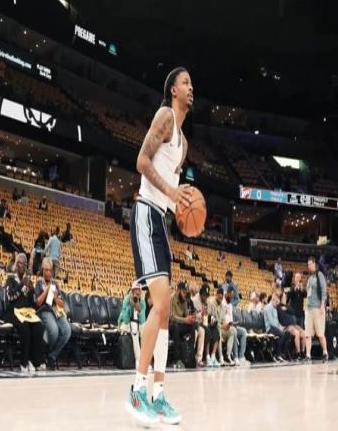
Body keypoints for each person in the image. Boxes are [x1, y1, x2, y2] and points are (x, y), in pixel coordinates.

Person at [126, 67, 194, 425]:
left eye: (191, 83)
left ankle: (158, 393)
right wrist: (171, 192)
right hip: (145, 212)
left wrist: (184, 209)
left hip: (162, 221)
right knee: (162, 304)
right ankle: (137, 390)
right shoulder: (165, 116)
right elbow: (141, 162)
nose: (191, 88)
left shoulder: (184, 144)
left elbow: (174, 191)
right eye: (185, 82)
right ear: (172, 90)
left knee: (165, 312)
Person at [5, 253, 45, 373]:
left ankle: (36, 360)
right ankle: (24, 361)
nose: (23, 266)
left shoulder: (29, 282)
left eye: (25, 264)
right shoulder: (10, 279)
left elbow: (32, 304)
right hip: (13, 312)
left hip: (26, 313)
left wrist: (31, 291)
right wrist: (21, 283)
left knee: (39, 326)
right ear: (17, 265)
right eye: (21, 263)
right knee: (25, 327)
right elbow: (10, 297)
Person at [35, 257, 71, 369]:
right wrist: (46, 291)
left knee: (67, 330)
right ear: (42, 270)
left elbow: (62, 304)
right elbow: (37, 303)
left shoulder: (55, 284)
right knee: (54, 330)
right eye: (46, 270)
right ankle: (47, 354)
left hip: (56, 311)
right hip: (45, 310)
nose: (48, 273)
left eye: (50, 270)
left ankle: (52, 355)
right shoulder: (39, 283)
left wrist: (55, 298)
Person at [304, 256, 328, 362]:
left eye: (310, 264)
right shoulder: (309, 278)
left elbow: (324, 291)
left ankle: (325, 352)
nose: (309, 266)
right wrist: (305, 306)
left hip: (318, 308)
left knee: (320, 334)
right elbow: (307, 294)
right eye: (308, 264)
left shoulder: (320, 275)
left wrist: (322, 305)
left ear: (314, 264)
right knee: (308, 334)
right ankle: (308, 355)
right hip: (309, 309)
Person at [118, 282, 147, 369]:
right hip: (125, 324)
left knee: (144, 332)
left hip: (137, 324)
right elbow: (125, 318)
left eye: (138, 291)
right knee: (134, 328)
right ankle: (139, 360)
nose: (137, 292)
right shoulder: (127, 299)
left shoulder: (142, 301)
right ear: (132, 291)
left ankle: (145, 359)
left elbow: (142, 319)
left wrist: (137, 304)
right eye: (135, 290)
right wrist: (130, 306)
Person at [169, 282, 197, 368]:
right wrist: (185, 320)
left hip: (181, 324)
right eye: (184, 292)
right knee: (176, 326)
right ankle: (177, 359)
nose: (185, 294)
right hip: (172, 325)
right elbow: (172, 317)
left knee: (192, 327)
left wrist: (190, 318)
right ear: (178, 290)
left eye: (186, 292)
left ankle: (191, 355)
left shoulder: (184, 300)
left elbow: (186, 315)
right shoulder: (172, 298)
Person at [224, 286, 248, 365]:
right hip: (225, 327)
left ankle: (241, 356)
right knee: (233, 331)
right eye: (231, 295)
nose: (232, 298)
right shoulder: (222, 302)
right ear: (227, 293)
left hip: (231, 325)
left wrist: (234, 323)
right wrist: (231, 324)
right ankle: (235, 357)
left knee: (243, 331)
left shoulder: (230, 304)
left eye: (233, 296)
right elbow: (222, 318)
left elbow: (230, 318)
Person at [263, 293, 290, 362]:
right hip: (270, 329)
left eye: (278, 302)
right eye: (277, 302)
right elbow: (271, 322)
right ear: (273, 300)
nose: (278, 304)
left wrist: (282, 327)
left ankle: (282, 354)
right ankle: (277, 355)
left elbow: (277, 321)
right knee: (281, 334)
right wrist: (280, 328)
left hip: (276, 328)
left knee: (287, 334)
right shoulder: (268, 308)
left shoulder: (275, 308)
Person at [207, 287, 229, 367]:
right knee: (218, 330)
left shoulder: (223, 306)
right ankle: (220, 357)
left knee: (233, 331)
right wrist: (221, 326)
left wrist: (227, 325)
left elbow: (223, 320)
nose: (221, 299)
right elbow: (211, 319)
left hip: (221, 326)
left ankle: (230, 356)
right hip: (213, 326)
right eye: (219, 297)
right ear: (216, 295)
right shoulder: (211, 303)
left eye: (222, 298)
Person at [191, 284, 211, 367]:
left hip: (200, 323)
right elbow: (193, 316)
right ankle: (192, 356)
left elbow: (206, 315)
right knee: (204, 331)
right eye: (204, 295)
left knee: (207, 331)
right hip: (193, 323)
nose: (206, 297)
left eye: (207, 296)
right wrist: (201, 314)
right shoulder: (194, 300)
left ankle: (200, 359)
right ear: (201, 294)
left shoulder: (205, 302)